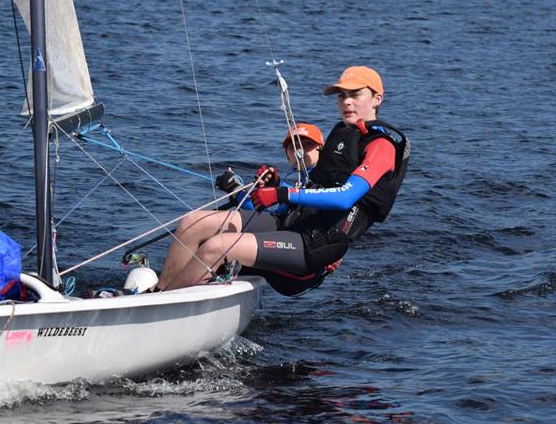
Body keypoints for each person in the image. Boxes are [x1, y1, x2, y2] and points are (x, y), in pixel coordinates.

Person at [157, 66, 409, 296]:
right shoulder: (342, 134)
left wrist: (283, 195)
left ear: (377, 99)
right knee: (193, 223)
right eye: (341, 96)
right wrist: (274, 186)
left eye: (356, 94)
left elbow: (344, 197)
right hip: (294, 222)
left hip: (317, 245)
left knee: (217, 246)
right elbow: (316, 184)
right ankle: (159, 292)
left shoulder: (381, 146)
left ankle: (162, 311)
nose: (347, 102)